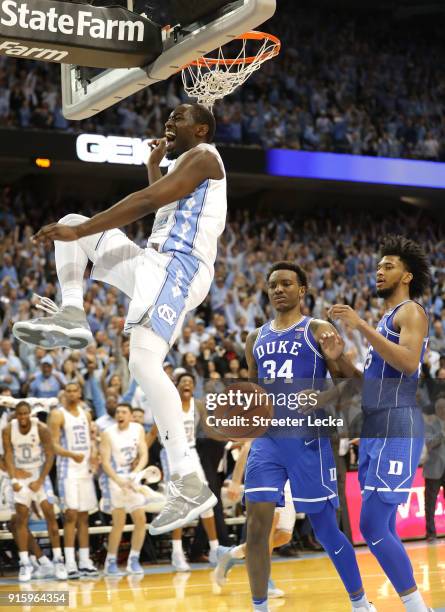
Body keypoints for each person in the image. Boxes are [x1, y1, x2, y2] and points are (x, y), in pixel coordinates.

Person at [13, 103, 226, 534]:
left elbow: (149, 201)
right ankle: (73, 313)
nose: (167, 123)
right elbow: (163, 204)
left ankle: (188, 480)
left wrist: (84, 230)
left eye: (178, 118)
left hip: (179, 268)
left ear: (200, 129)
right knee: (71, 220)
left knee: (143, 362)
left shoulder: (206, 157)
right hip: (155, 262)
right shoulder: (185, 167)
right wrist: (153, 166)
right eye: (167, 117)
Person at [242, 261, 374, 612]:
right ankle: (259, 606)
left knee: (325, 530)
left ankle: (360, 603)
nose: (278, 290)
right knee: (256, 528)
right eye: (273, 285)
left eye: (286, 283)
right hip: (268, 441)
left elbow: (354, 385)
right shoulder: (254, 338)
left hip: (308, 439)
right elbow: (255, 392)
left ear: (302, 290)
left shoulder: (317, 329)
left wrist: (324, 397)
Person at [329, 235, 433, 612]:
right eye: (378, 266)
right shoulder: (386, 319)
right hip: (375, 425)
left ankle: (415, 607)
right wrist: (338, 359)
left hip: (397, 423)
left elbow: (408, 363)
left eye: (388, 266)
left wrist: (359, 326)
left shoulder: (411, 311)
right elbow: (367, 383)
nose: (379, 271)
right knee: (377, 528)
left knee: (373, 527)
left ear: (406, 275)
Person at [146, 372, 220, 570]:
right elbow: (153, 433)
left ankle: (215, 549)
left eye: (190, 382)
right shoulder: (168, 405)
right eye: (183, 381)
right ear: (177, 386)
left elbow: (210, 430)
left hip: (192, 455)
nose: (187, 384)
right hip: (172, 455)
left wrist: (231, 435)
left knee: (206, 503)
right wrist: (140, 457)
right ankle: (177, 553)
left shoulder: (198, 405)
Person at [214, 440, 295, 599]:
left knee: (284, 536)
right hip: (266, 477)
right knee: (268, 532)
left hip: (288, 480)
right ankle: (264, 581)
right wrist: (236, 481)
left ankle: (230, 554)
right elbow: (247, 446)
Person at [2, 401, 67, 581]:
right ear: (16, 415)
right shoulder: (8, 429)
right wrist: (14, 478)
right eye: (19, 414)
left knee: (50, 516)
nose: (22, 417)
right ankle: (25, 563)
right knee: (21, 519)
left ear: (29, 414)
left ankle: (59, 560)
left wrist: (39, 480)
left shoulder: (41, 428)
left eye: (25, 414)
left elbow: (50, 455)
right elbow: (7, 454)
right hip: (21, 478)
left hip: (39, 475)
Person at [48, 381, 99, 578]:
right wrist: (70, 454)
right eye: (68, 391)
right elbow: (53, 445)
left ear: (80, 393)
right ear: (64, 394)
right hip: (67, 470)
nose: (71, 394)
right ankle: (70, 563)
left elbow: (91, 439)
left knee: (84, 516)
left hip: (85, 469)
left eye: (75, 390)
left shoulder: (86, 414)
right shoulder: (57, 414)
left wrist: (94, 454)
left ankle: (85, 561)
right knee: (70, 516)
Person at [100, 403, 148, 576]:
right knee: (119, 523)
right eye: (118, 412)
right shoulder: (107, 433)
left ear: (130, 416)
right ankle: (110, 562)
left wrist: (136, 473)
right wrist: (119, 480)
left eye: (124, 412)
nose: (120, 414)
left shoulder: (138, 429)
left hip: (132, 477)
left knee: (141, 519)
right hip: (115, 478)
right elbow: (104, 462)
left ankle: (133, 560)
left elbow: (144, 454)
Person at [422, 395, 445, 542]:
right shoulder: (430, 423)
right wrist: (441, 435)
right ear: (436, 409)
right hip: (434, 469)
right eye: (440, 408)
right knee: (430, 504)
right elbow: (428, 443)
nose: (443, 410)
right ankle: (431, 533)